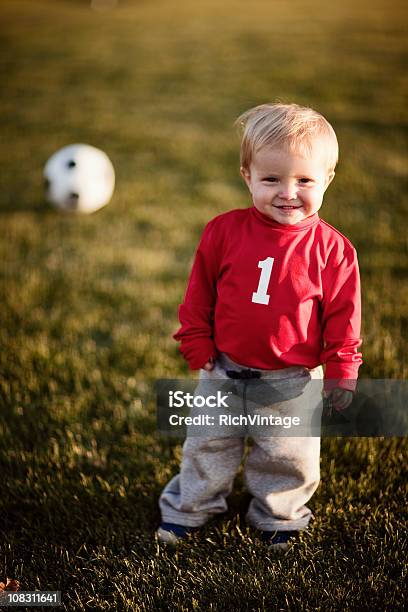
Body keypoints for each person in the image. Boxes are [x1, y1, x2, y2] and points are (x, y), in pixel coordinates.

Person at [157, 103, 362, 550]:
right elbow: (199, 296)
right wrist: (195, 341)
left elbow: (344, 321)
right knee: (208, 445)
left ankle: (278, 514)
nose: (288, 192)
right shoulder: (222, 232)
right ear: (247, 175)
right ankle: (189, 508)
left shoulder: (334, 251)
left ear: (327, 178)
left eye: (304, 180)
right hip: (223, 368)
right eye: (271, 179)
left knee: (288, 454)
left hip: (293, 378)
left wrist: (343, 369)